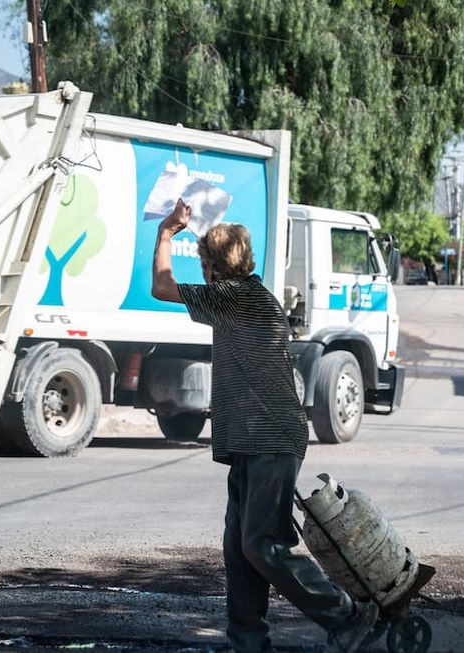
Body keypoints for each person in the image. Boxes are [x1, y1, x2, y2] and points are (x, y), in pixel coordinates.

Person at [151, 198, 379, 653]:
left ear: (214, 267)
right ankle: (247, 642)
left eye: (204, 263)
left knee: (262, 546)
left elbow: (161, 286)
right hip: (254, 441)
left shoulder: (234, 297)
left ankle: (348, 616)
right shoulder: (246, 296)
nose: (203, 272)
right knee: (239, 549)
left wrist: (164, 234)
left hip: (270, 439)